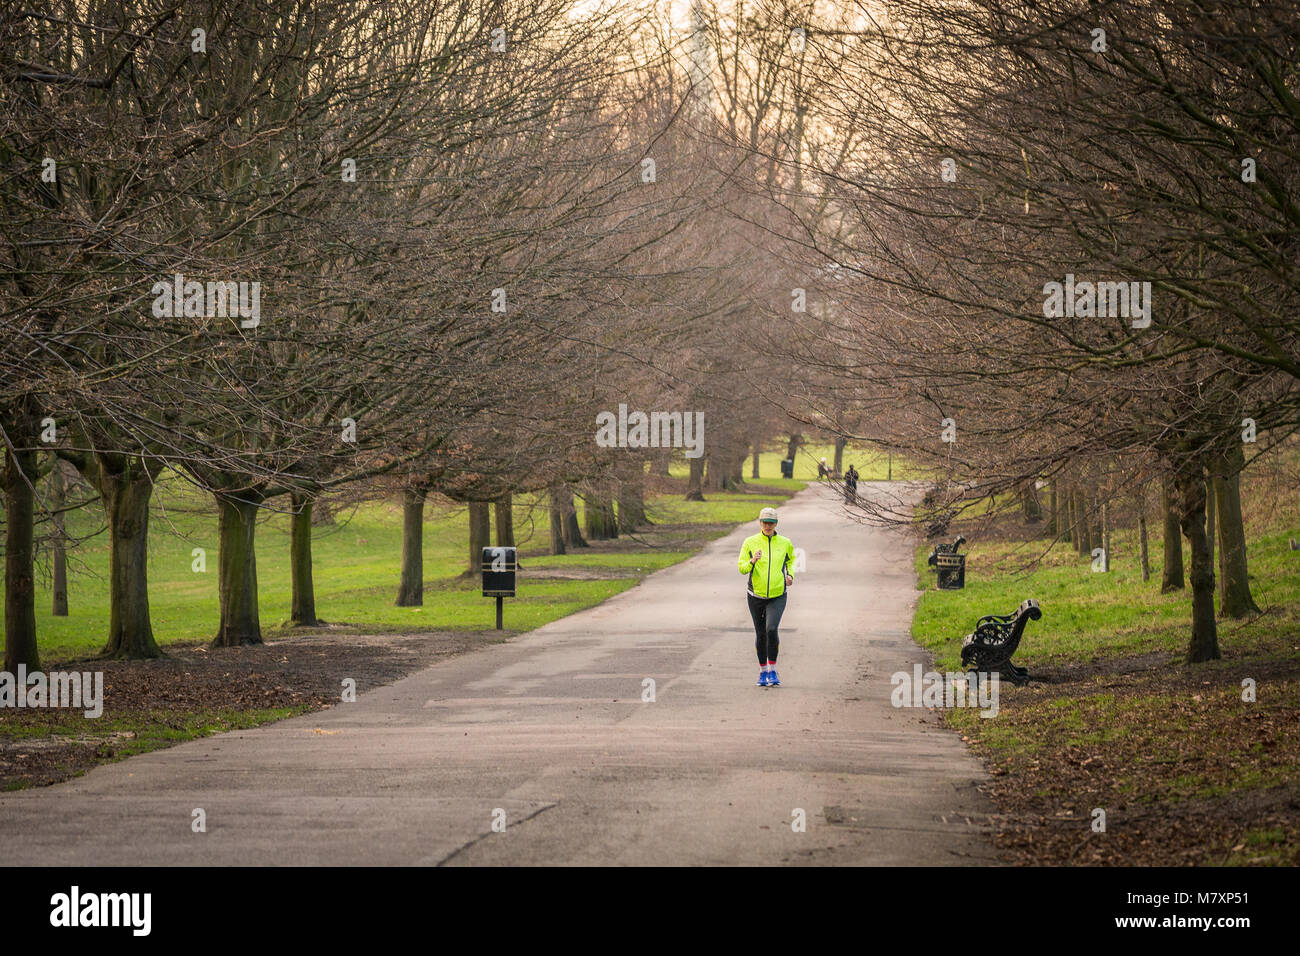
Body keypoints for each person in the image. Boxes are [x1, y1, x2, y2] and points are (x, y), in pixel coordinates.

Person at [737, 506, 796, 686]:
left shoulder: (785, 543)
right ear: (760, 523)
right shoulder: (750, 542)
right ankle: (763, 672)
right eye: (764, 522)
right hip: (755, 595)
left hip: (778, 594)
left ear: (776, 523)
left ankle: (773, 670)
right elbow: (742, 568)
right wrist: (752, 561)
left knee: (771, 629)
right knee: (761, 633)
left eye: (771, 522)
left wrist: (790, 575)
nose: (767, 525)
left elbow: (791, 560)